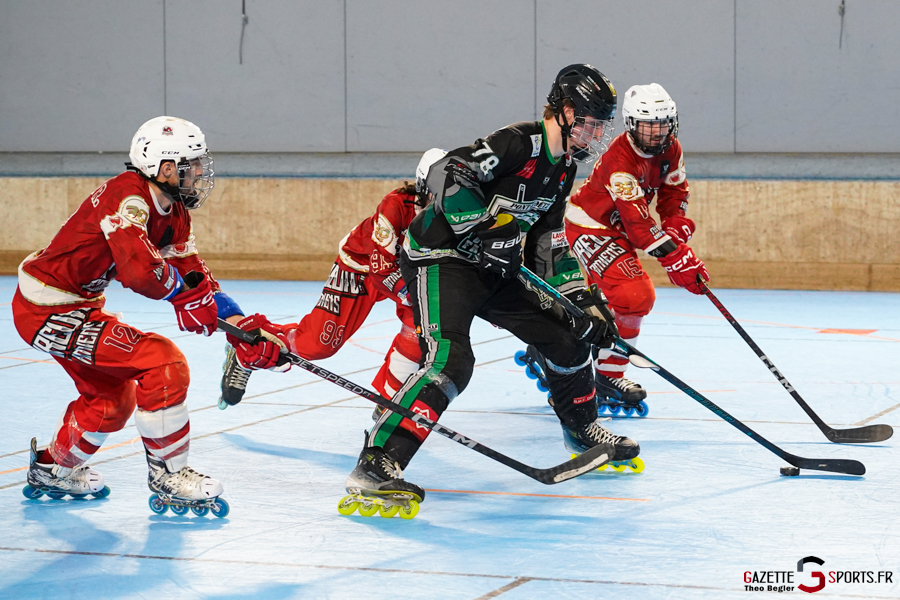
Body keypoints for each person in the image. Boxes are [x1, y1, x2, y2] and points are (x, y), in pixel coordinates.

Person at [229, 64, 639, 514]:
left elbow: (547, 243)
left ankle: (581, 429)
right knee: (451, 359)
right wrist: (487, 228)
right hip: (440, 258)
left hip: (493, 268)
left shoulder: (561, 171)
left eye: (602, 124)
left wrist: (582, 300)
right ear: (564, 112)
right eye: (590, 123)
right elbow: (449, 171)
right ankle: (378, 462)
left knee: (567, 337)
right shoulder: (519, 142)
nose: (596, 133)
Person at [12, 116, 230, 514]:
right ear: (165, 168)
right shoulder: (127, 197)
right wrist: (185, 298)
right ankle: (169, 474)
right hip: (47, 308)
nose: (199, 171)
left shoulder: (174, 210)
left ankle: (52, 468)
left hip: (72, 306)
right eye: (191, 163)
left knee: (110, 401)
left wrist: (242, 324)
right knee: (162, 362)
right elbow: (139, 272)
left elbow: (192, 271)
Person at [217, 149, 448, 411]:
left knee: (419, 327)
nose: (448, 197)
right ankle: (249, 345)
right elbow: (381, 271)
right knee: (318, 345)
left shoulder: (460, 213)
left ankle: (391, 402)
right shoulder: (395, 205)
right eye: (439, 189)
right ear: (422, 186)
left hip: (406, 271)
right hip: (361, 267)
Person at [564, 83, 709, 413]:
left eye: (662, 124)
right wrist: (676, 258)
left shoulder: (672, 150)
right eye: (648, 125)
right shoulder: (620, 163)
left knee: (609, 302)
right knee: (635, 296)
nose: (656, 132)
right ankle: (607, 376)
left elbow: (674, 193)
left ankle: (577, 347)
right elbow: (640, 228)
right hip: (592, 227)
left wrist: (674, 228)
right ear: (631, 124)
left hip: (620, 230)